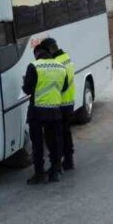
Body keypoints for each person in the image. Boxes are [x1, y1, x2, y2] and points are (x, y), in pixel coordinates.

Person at [21, 43, 68, 184]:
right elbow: (64, 87)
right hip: (54, 110)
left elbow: (27, 89)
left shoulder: (34, 66)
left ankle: (39, 174)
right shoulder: (61, 67)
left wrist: (25, 83)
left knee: (37, 145)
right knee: (54, 142)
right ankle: (55, 171)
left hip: (37, 111)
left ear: (37, 53)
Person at [41, 38, 77, 171]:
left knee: (57, 135)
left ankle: (58, 163)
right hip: (69, 102)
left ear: (50, 50)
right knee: (66, 132)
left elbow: (57, 84)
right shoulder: (66, 57)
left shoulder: (56, 63)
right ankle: (69, 160)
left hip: (59, 103)